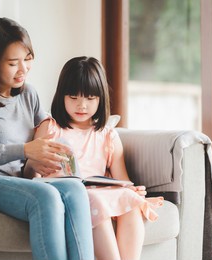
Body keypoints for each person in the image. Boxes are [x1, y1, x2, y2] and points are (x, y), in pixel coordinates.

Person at [0, 18, 94, 260]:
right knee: (45, 196)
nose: (23, 69)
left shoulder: (29, 94)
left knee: (75, 188)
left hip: (17, 180)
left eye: (28, 59)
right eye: (13, 63)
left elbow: (44, 126)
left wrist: (39, 154)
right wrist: (24, 150)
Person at [24, 56, 163, 260]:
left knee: (131, 200)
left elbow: (121, 180)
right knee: (94, 201)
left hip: (99, 191)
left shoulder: (108, 136)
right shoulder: (50, 128)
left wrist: (132, 189)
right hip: (71, 195)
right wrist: (34, 165)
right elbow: (30, 176)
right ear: (61, 96)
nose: (82, 106)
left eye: (90, 98)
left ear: (101, 98)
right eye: (73, 97)